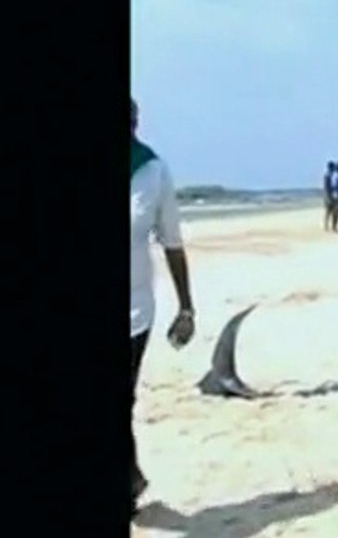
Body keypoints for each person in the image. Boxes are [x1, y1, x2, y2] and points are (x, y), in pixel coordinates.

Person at [130, 99, 196, 516]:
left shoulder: (153, 171)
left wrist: (186, 308)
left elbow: (172, 242)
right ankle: (132, 478)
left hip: (134, 310)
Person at [322, 161, 338, 230]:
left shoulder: (328, 175)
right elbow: (328, 186)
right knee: (332, 211)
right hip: (330, 195)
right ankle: (331, 226)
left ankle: (327, 225)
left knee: (329, 211)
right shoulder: (329, 175)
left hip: (328, 195)